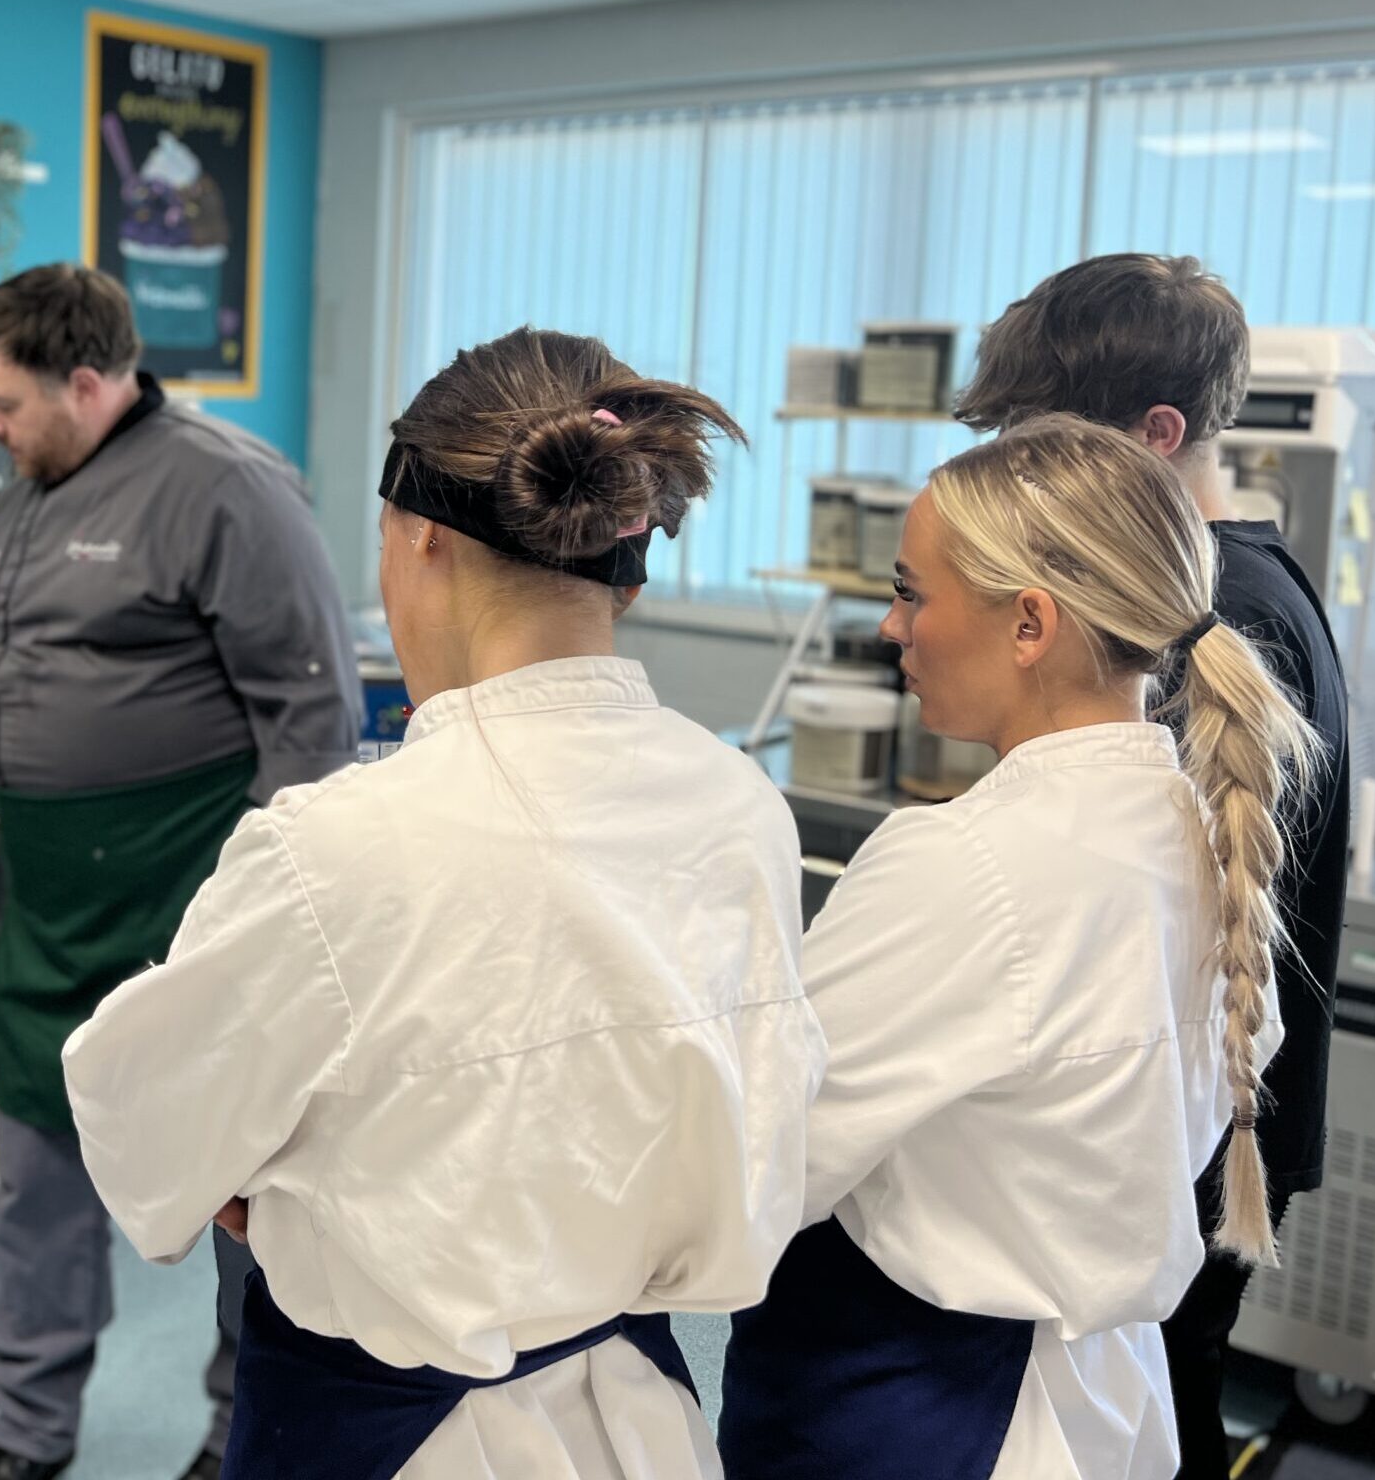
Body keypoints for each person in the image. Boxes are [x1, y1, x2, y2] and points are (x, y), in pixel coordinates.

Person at [61, 328, 824, 1479]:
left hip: (382, 1438)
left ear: (419, 539)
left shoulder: (335, 850)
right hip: (639, 1419)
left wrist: (258, 1175)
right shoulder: (740, 804)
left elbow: (150, 1129)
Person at [0, 262, 362, 1480]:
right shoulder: (31, 488)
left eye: (3, 404)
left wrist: (253, 927)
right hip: (47, 905)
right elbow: (2, 699)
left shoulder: (229, 491)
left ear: (90, 383)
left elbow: (310, 726)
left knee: (238, 1201)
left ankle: (233, 1435)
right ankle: (27, 1439)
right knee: (37, 1192)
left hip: (183, 903)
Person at [720, 416, 1317, 1479]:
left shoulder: (962, 867)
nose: (890, 629)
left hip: (922, 1411)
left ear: (1028, 625)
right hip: (1094, 1401)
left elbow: (770, 1157)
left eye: (911, 593)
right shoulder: (1213, 844)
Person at [952, 254, 1351, 1479]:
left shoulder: (1209, 619)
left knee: (1140, 1428)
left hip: (1185, 1137)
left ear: (1157, 432)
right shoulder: (1246, 580)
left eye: (1040, 441)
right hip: (1192, 1119)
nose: (1023, 480)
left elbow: (1114, 902)